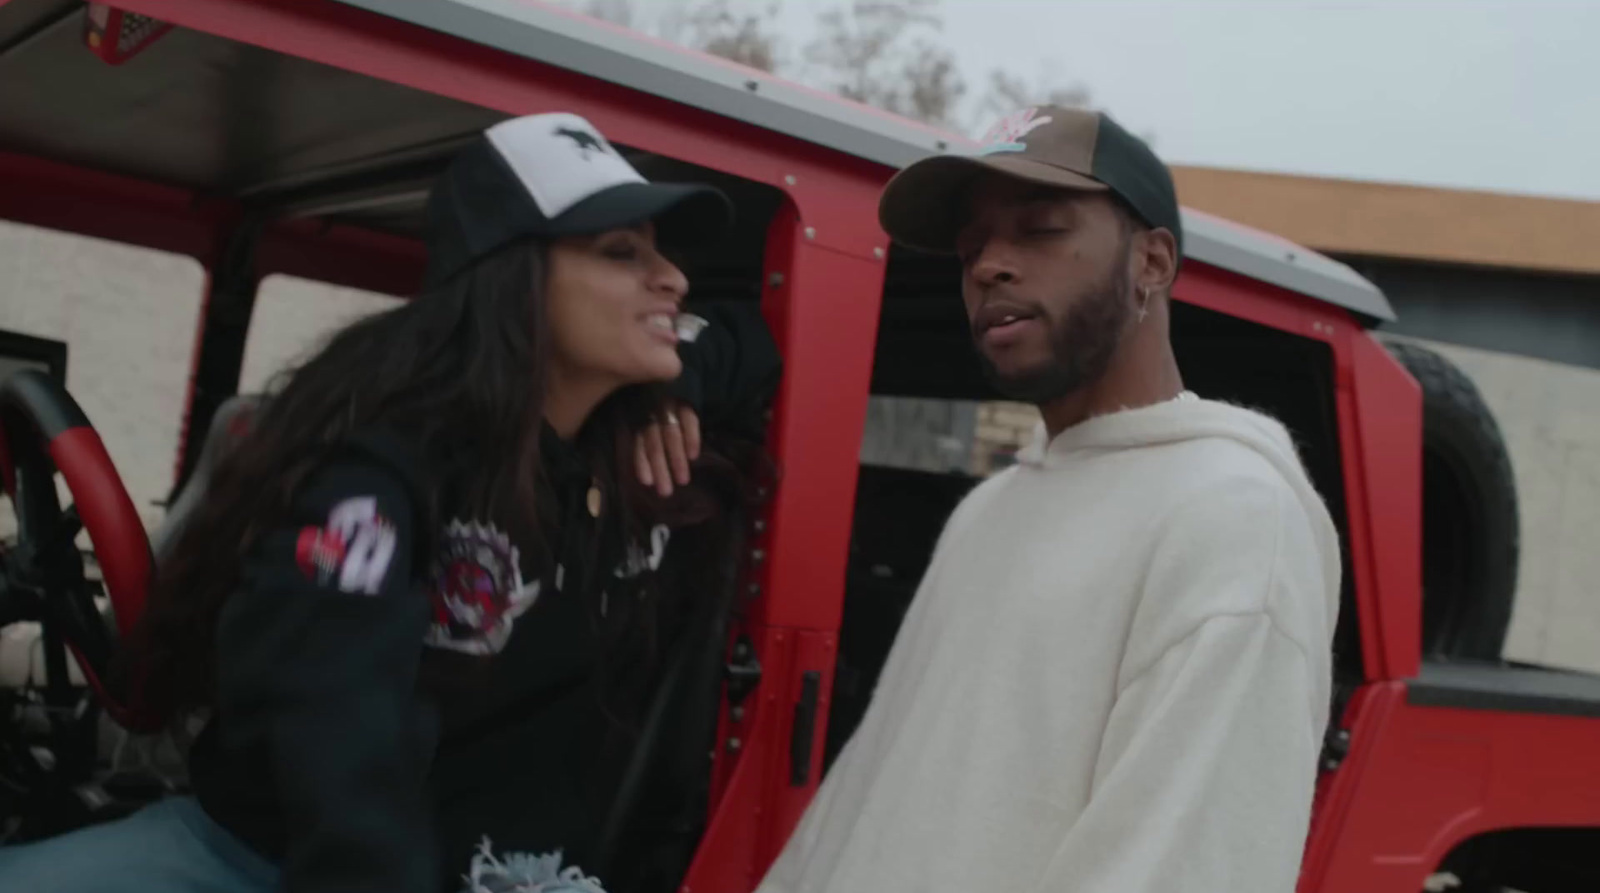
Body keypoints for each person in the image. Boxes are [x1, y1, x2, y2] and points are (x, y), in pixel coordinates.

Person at [0, 112, 779, 893]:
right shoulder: (383, 459)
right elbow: (336, 724)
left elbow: (755, 341)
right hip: (275, 857)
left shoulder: (625, 438)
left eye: (658, 250)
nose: (672, 278)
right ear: (512, 279)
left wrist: (668, 385)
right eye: (622, 253)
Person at [757, 105, 1341, 892]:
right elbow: (869, 802)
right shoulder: (990, 508)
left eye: (1039, 229)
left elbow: (1180, 863)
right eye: (971, 249)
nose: (990, 265)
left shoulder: (1232, 516)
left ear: (1153, 262)